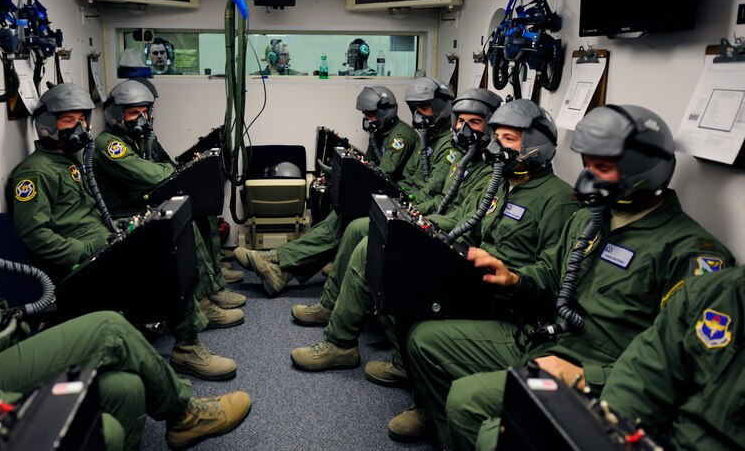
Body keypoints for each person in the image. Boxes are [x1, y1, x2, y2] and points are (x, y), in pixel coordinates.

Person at [0, 116, 252, 451]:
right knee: (109, 329)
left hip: (1, 346)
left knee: (127, 390)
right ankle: (185, 413)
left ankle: (187, 357)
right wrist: (8, 406)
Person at [401, 104, 734, 450]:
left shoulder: (692, 254)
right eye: (587, 165)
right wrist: (516, 278)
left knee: (470, 404)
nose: (587, 177)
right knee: (426, 341)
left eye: (601, 167)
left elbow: (678, 364)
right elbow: (552, 273)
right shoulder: (590, 220)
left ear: (643, 171)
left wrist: (586, 376)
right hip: (550, 341)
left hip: (602, 374)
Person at [290, 96, 578, 386]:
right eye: (498, 137)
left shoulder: (558, 199)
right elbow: (468, 223)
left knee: (392, 260)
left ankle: (406, 367)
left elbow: (553, 277)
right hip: (470, 267)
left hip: (501, 293)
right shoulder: (502, 183)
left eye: (509, 139)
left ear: (536, 145)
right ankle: (343, 343)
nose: (498, 145)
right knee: (379, 251)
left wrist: (514, 278)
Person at [8, 83, 238, 381]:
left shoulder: (68, 163)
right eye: (68, 121)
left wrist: (114, 233)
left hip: (104, 241)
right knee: (163, 259)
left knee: (169, 237)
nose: (78, 126)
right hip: (82, 261)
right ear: (47, 124)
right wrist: (91, 250)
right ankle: (188, 345)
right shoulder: (35, 172)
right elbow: (35, 236)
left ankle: (191, 327)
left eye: (81, 120)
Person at [232, 84, 419, 298]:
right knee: (335, 220)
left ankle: (276, 258)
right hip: (379, 196)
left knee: (339, 225)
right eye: (365, 114)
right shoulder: (379, 134)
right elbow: (368, 166)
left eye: (370, 114)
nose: (367, 118)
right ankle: (280, 273)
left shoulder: (401, 137)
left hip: (393, 201)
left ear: (385, 110)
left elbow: (384, 173)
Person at [94, 80, 246, 318]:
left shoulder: (140, 138)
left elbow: (166, 165)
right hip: (126, 213)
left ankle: (214, 279)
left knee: (202, 210)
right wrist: (176, 174)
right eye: (134, 112)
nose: (142, 118)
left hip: (147, 201)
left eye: (145, 111)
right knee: (188, 224)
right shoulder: (109, 145)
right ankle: (204, 299)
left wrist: (176, 173)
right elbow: (152, 174)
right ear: (116, 114)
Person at [598, 265, 743, 451]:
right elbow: (641, 378)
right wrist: (610, 436)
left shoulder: (688, 254)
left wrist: (589, 375)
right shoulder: (711, 293)